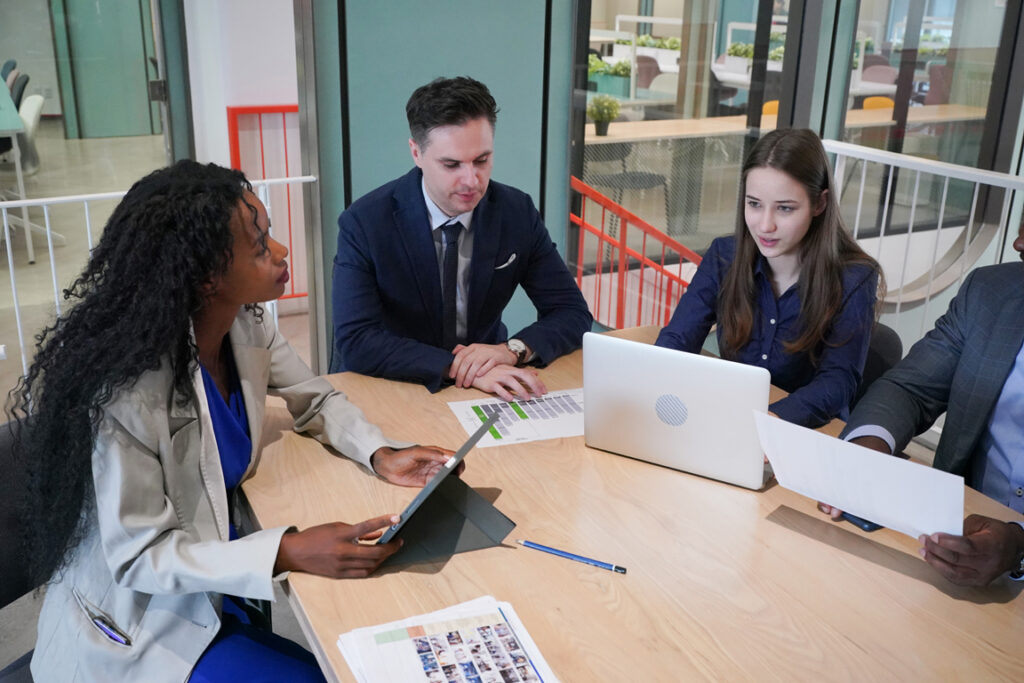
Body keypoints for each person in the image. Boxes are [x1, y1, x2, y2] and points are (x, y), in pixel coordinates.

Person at [13, 161, 457, 682]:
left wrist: (381, 452)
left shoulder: (245, 325)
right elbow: (140, 558)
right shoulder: (129, 392)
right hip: (138, 625)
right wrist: (287, 550)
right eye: (260, 244)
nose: (282, 251)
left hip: (212, 588)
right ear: (205, 277)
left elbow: (315, 398)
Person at [331, 76, 592, 400]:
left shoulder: (515, 211)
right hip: (396, 384)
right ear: (416, 153)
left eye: (482, 160)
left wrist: (511, 350)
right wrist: (458, 366)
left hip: (486, 384)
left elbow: (572, 312)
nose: (471, 180)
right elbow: (356, 341)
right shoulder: (366, 222)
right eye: (451, 164)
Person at [820, 226, 1024, 587]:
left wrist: (1020, 542)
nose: (1018, 242)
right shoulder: (990, 292)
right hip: (954, 549)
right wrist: (867, 451)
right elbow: (909, 389)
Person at [655, 128, 882, 428]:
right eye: (754, 204)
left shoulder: (854, 278)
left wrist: (771, 420)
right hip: (732, 419)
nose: (765, 225)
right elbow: (679, 337)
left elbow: (837, 382)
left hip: (805, 431)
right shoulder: (725, 256)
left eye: (785, 209)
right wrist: (652, 378)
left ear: (819, 204)